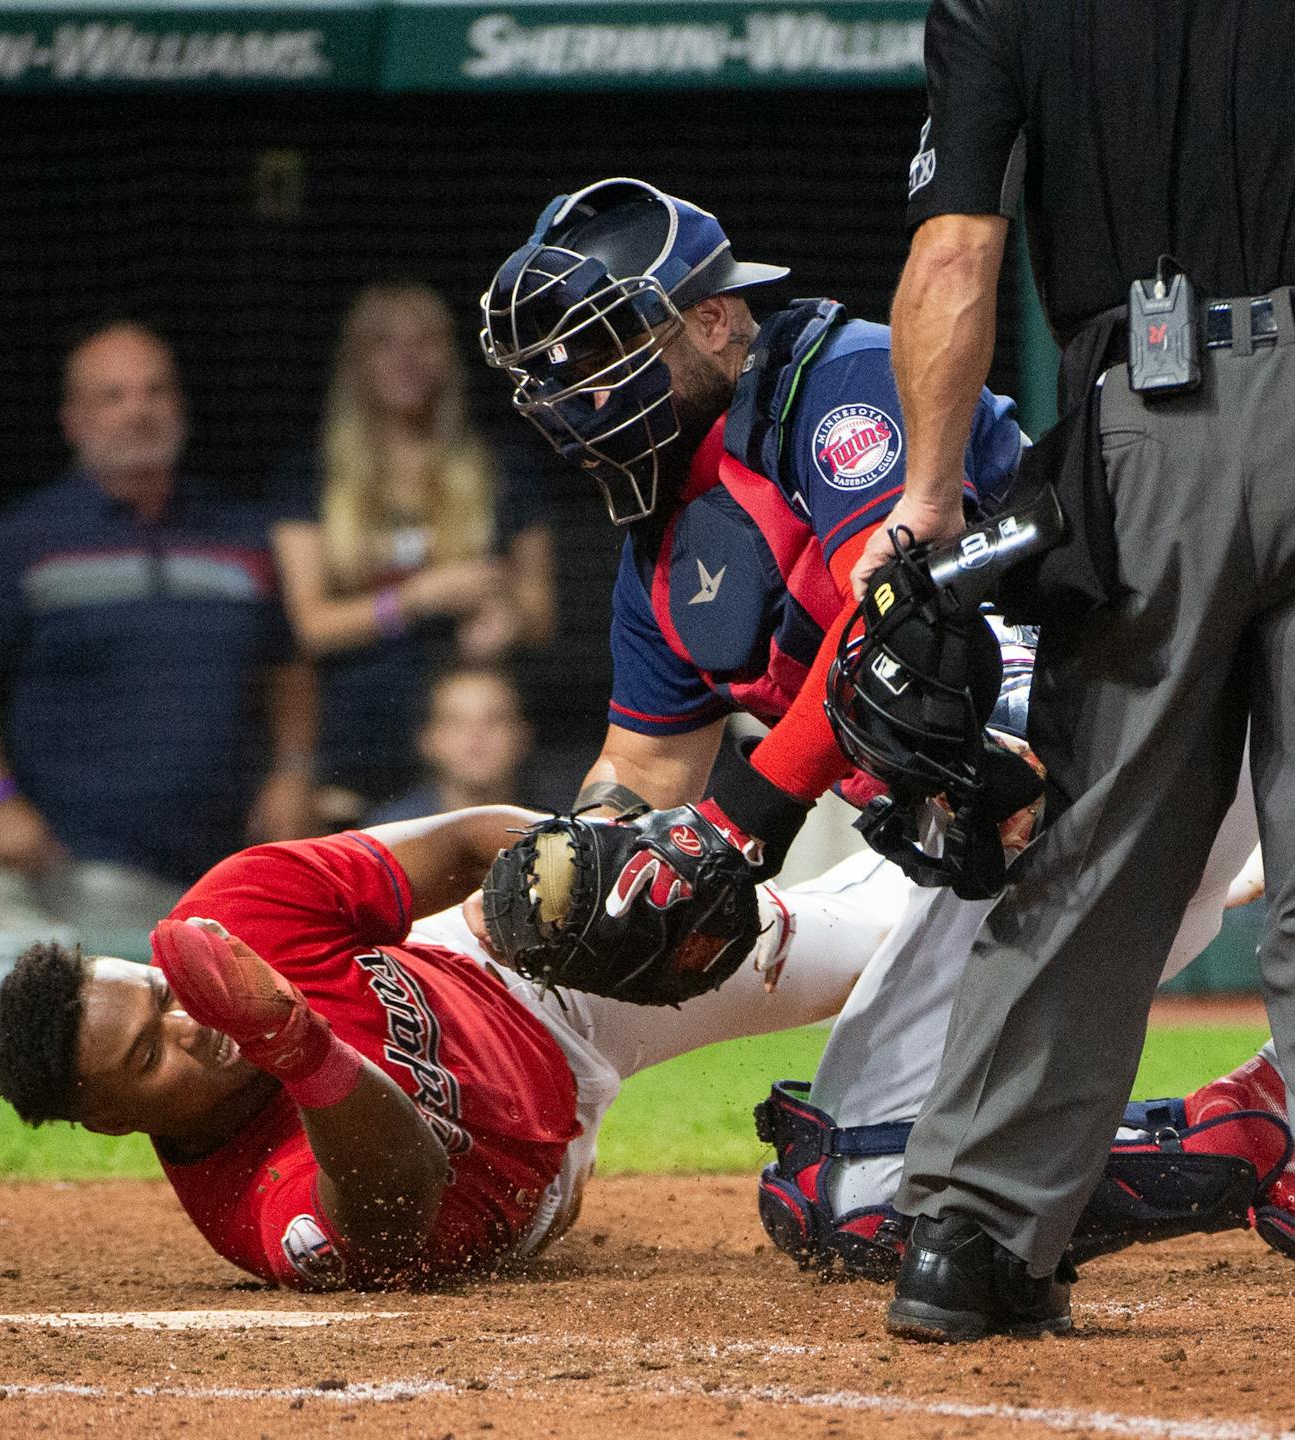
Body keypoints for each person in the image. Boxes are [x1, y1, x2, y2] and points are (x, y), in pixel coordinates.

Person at [475, 178, 1285, 1284]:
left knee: (935, 668)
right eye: (563, 371)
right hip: (983, 850)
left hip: (1132, 738)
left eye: (609, 346)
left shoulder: (839, 380)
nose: (580, 393)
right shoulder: (659, 555)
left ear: (714, 315)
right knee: (854, 1199)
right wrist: (585, 867)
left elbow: (890, 617)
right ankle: (1253, 1131)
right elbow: (644, 767)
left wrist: (739, 822)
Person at [855, 2, 1295, 1342]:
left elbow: (953, 255)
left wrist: (927, 503)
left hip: (1141, 427)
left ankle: (972, 1239)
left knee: (1088, 845)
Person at [0, 804, 910, 1288]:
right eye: (150, 1057)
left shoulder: (230, 912)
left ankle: (972, 789)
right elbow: (399, 1210)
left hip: (518, 984)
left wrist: (598, 871)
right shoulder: (250, 1211)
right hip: (526, 1182)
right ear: (111, 1123)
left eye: (159, 997)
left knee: (864, 938)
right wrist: (294, 1042)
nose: (192, 1025)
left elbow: (471, 841)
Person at [0, 322, 318, 937]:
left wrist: (293, 772)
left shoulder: (241, 534)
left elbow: (287, 662)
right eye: (114, 395)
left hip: (223, 878)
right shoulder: (20, 541)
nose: (139, 411)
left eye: (155, 391)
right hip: (68, 875)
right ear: (72, 419)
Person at [269, 284, 555, 817]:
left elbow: (539, 612)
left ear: (450, 355)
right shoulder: (309, 475)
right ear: (356, 360)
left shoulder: (501, 468)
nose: (406, 359)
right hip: (355, 752)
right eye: (385, 343)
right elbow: (309, 624)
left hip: (473, 755)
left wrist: (507, 618)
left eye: (424, 340)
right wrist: (419, 596)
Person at [363, 663, 546, 826]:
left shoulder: (557, 826)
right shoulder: (390, 832)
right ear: (428, 739)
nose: (476, 735)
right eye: (455, 722)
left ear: (523, 734)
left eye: (494, 719)